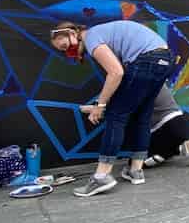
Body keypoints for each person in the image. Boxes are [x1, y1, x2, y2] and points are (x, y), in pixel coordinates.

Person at [50, 20, 174, 197]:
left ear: (73, 33)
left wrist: (100, 106)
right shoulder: (103, 33)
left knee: (115, 117)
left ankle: (101, 176)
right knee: (141, 116)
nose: (66, 51)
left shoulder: (91, 36)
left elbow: (116, 73)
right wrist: (99, 105)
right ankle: (136, 171)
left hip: (146, 60)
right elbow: (125, 82)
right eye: (62, 51)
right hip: (165, 59)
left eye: (64, 46)